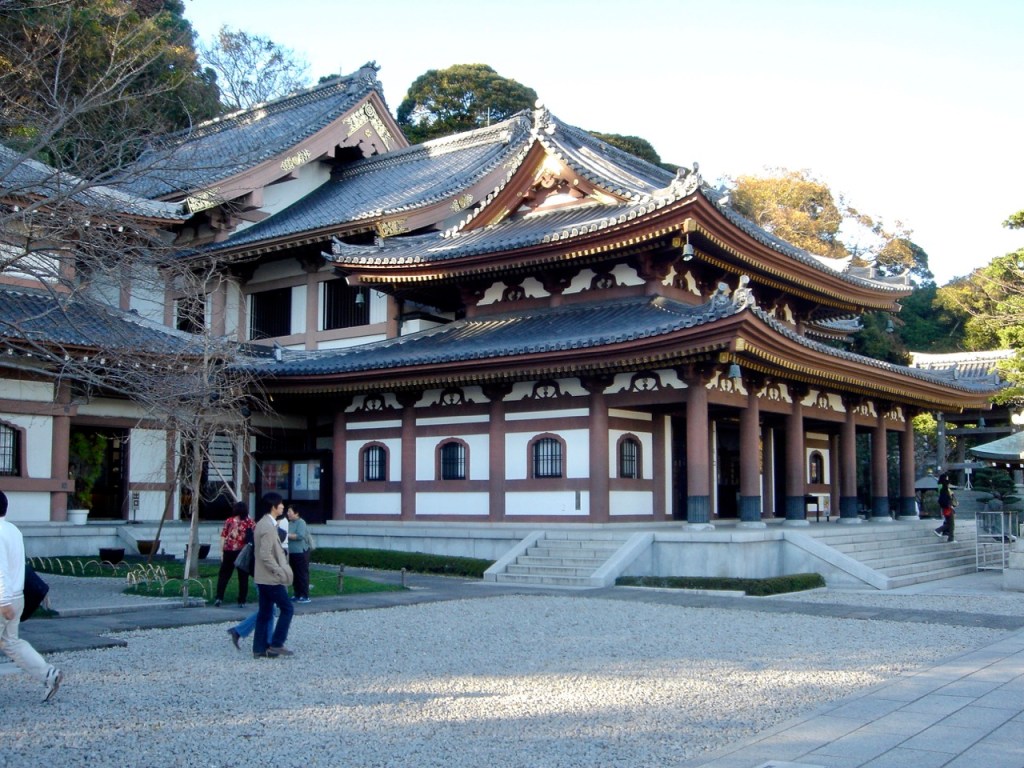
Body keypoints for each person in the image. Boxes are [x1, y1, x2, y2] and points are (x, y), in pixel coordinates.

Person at [0, 490, 63, 701]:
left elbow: (0, 569)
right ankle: (48, 674)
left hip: (3, 599)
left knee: (10, 642)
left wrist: (3, 601)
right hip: (17, 596)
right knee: (11, 642)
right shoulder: (13, 530)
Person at [252, 492, 294, 659]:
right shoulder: (268, 527)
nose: (283, 506)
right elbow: (265, 554)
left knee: (264, 612)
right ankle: (276, 644)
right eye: (280, 503)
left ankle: (259, 648)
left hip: (262, 577)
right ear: (273, 506)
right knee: (287, 608)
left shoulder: (264, 523)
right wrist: (279, 571)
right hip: (270, 578)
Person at [214, 502, 255, 607]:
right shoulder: (249, 522)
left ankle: (219, 597)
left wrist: (221, 551)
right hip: (243, 551)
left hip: (229, 550)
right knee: (243, 577)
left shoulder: (229, 521)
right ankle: (242, 600)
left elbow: (223, 535)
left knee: (224, 575)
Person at [286, 506, 311, 603]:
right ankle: (297, 594)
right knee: (294, 574)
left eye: (290, 511)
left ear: (296, 513)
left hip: (301, 552)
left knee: (302, 574)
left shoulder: (301, 522)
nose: (288, 513)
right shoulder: (289, 523)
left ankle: (304, 595)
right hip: (292, 552)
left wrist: (286, 535)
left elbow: (300, 536)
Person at [935, 472, 956, 543]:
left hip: (947, 506)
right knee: (951, 523)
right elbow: (946, 496)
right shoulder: (942, 487)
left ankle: (945, 533)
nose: (948, 481)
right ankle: (940, 531)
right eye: (947, 479)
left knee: (948, 522)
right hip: (948, 506)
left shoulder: (943, 486)